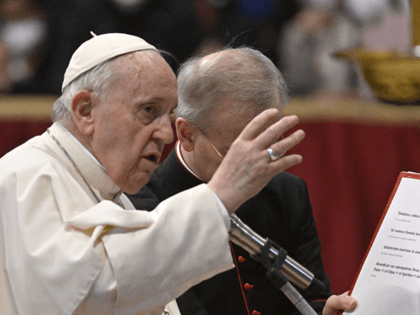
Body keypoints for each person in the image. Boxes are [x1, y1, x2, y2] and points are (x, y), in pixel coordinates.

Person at [0, 33, 307, 315]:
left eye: (169, 113)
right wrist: (218, 196)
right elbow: (85, 293)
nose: (166, 133)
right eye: (149, 110)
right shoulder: (25, 177)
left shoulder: (117, 197)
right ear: (85, 111)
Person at [128, 47, 357, 315]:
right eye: (234, 152)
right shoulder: (141, 205)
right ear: (186, 134)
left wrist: (324, 309)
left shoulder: (287, 191)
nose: (254, 166)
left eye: (266, 145)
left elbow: (312, 296)